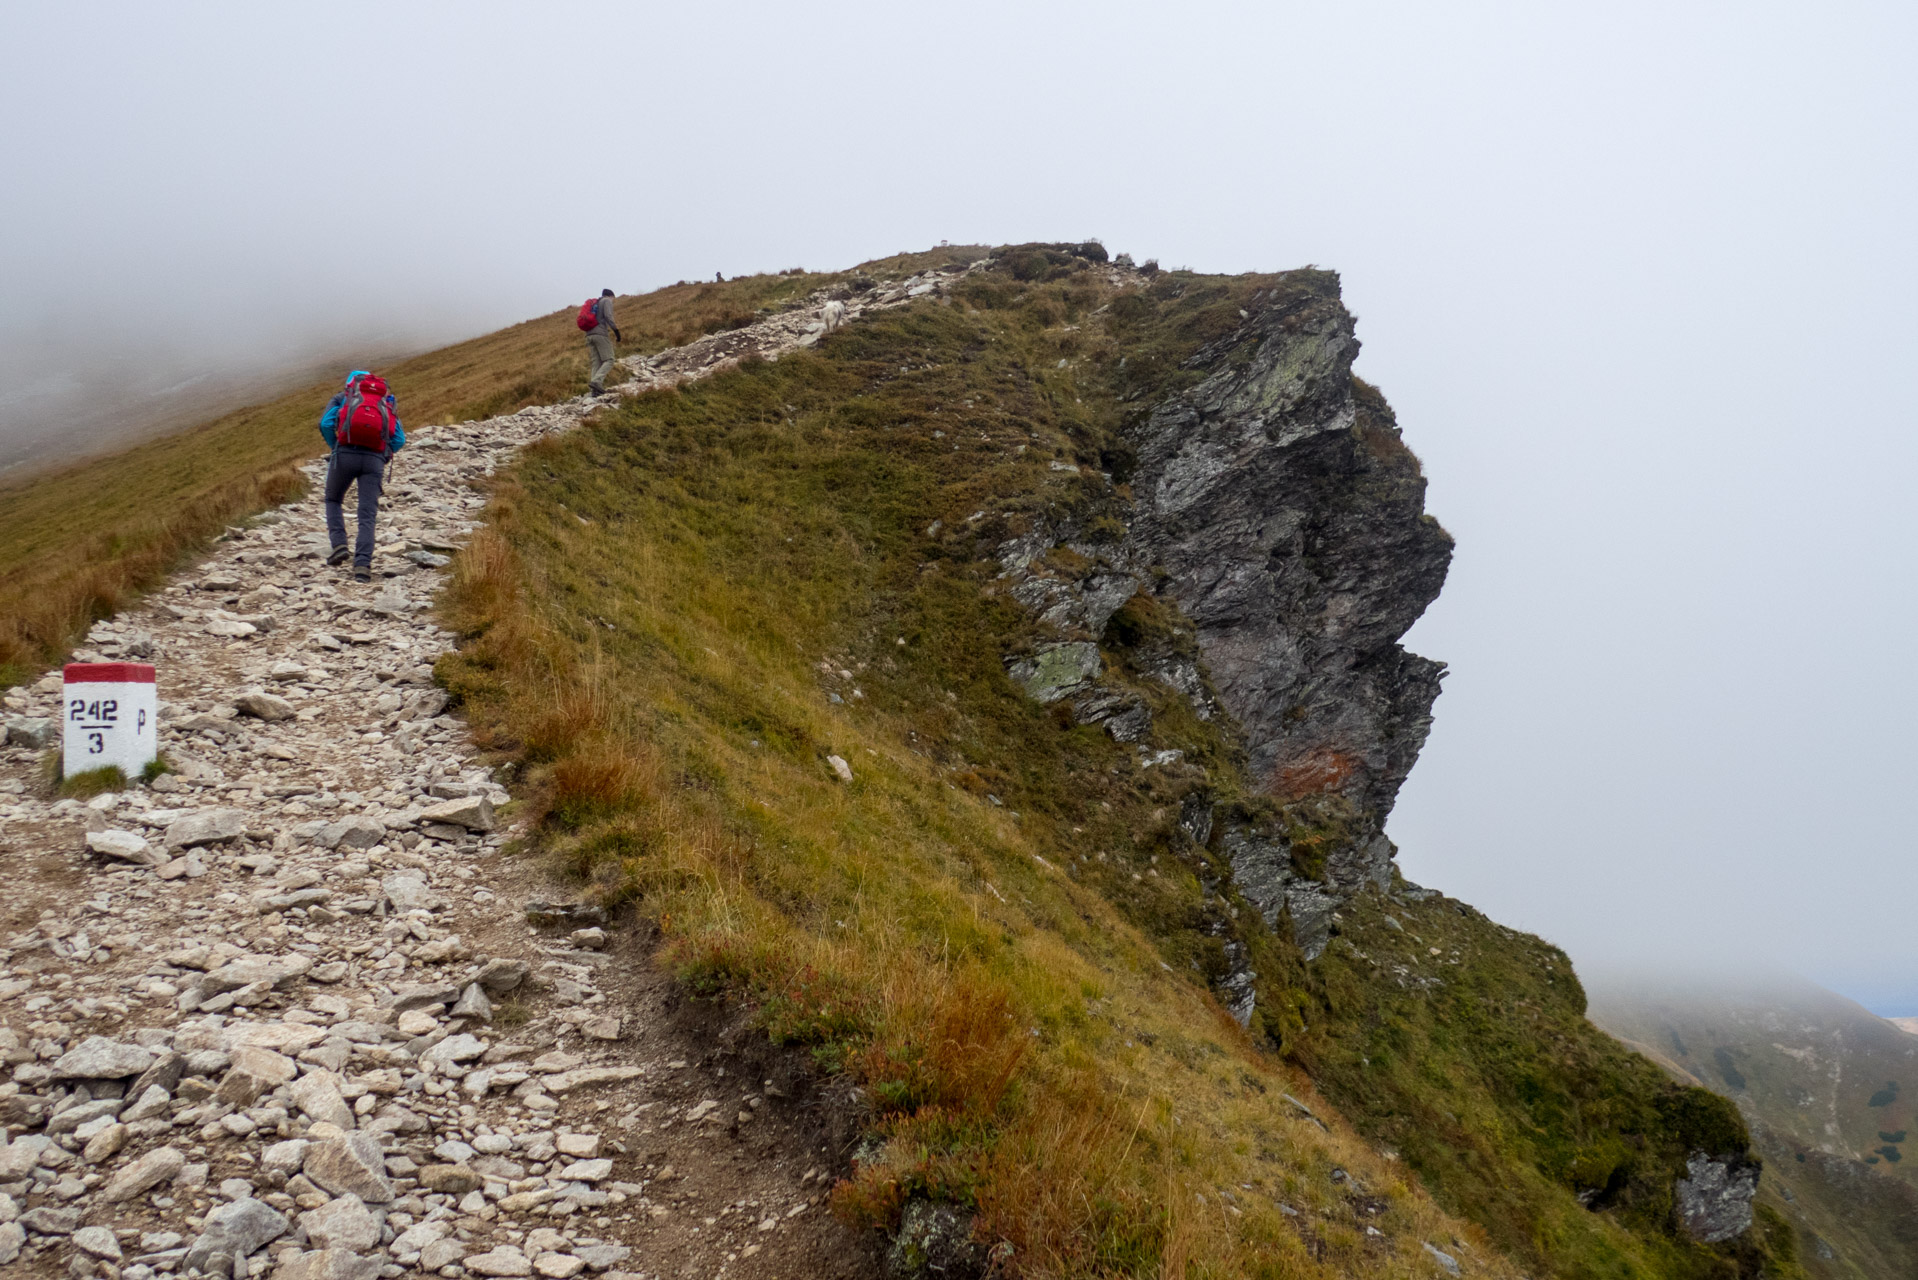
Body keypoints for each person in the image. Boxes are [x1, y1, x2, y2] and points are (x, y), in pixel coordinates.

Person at [318, 369, 404, 582]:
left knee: (333, 499)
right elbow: (399, 439)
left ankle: (339, 545)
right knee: (367, 514)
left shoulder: (343, 398)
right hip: (374, 460)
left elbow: (325, 424)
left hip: (345, 454)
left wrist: (336, 446)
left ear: (352, 383)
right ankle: (362, 567)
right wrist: (382, 454)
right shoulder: (386, 402)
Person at [584, 289, 622, 395]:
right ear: (611, 296)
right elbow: (609, 317)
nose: (613, 301)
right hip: (600, 334)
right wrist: (616, 331)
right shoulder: (607, 301)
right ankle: (596, 382)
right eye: (613, 299)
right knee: (609, 360)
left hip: (589, 335)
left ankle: (594, 391)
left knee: (596, 362)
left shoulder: (596, 303)